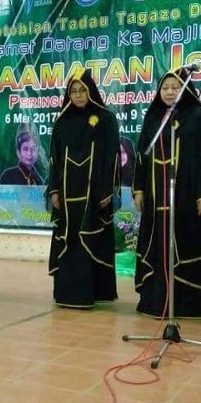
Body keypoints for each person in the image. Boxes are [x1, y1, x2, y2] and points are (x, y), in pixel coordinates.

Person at [133, 67, 201, 319]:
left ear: (186, 88)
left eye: (175, 86)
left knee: (187, 244)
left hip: (188, 198)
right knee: (157, 244)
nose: (170, 92)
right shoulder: (154, 117)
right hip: (156, 196)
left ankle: (188, 306)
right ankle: (155, 301)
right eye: (165, 87)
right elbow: (142, 154)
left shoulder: (200, 115)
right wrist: (139, 188)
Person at [47, 68, 120, 308]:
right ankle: (67, 294)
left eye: (82, 90)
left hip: (94, 195)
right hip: (67, 197)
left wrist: (107, 190)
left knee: (93, 239)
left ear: (91, 91)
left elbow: (112, 158)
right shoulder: (62, 121)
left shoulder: (106, 119)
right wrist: (54, 190)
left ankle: (94, 292)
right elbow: (54, 159)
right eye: (73, 91)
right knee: (68, 242)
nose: (78, 95)